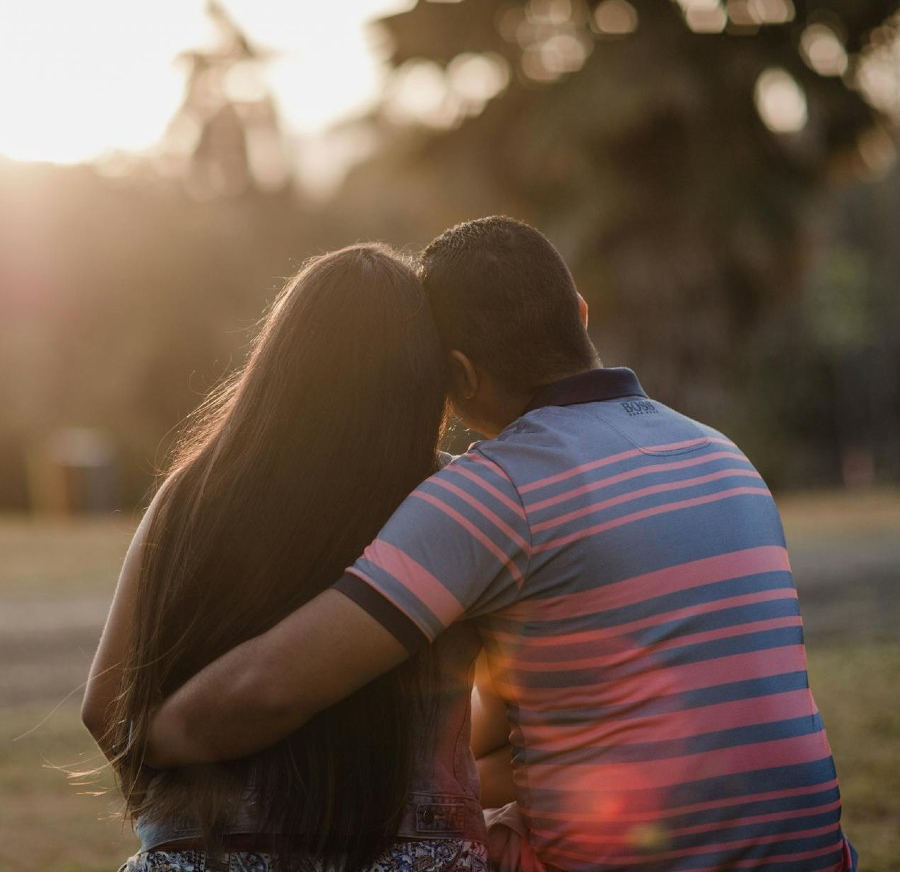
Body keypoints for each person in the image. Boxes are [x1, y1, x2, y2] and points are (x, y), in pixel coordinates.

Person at [147, 217, 857, 871]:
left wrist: (153, 740)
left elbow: (270, 689)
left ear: (457, 376)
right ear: (579, 311)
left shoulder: (494, 493)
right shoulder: (722, 456)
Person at [81, 245, 491, 872]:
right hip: (414, 854)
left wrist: (190, 813)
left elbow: (104, 708)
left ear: (278, 361)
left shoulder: (188, 496)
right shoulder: (458, 504)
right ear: (422, 378)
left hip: (198, 853)